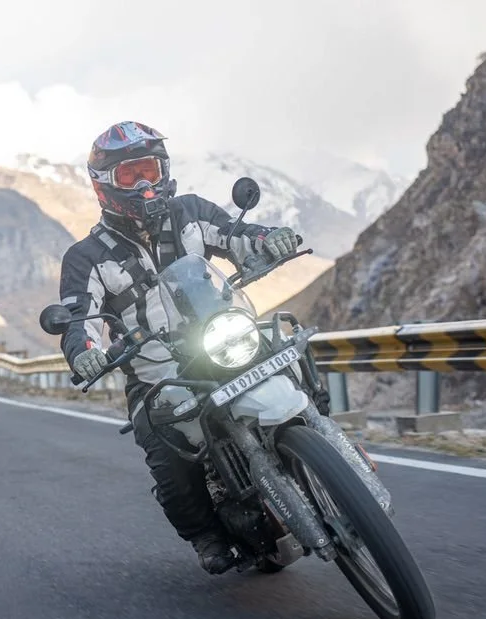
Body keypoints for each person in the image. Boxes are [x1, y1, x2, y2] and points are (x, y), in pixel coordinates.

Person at [57, 120, 302, 576]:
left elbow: (234, 234)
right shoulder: (86, 258)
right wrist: (85, 350)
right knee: (166, 452)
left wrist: (269, 239)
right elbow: (78, 319)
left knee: (292, 348)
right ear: (106, 185)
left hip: (222, 342)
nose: (145, 183)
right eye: (130, 176)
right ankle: (206, 533)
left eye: (150, 169)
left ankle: (328, 444)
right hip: (159, 375)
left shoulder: (189, 212)